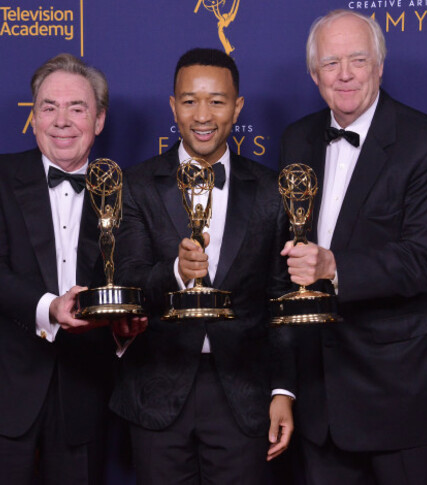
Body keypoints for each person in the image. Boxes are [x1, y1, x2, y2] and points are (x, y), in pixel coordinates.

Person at [279, 10, 427, 485]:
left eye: (358, 60)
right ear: (313, 74)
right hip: (321, 408)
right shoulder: (296, 140)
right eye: (331, 62)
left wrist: (334, 266)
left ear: (380, 67)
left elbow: (425, 260)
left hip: (405, 403)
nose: (344, 74)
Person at [0, 53, 145, 485]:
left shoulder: (126, 192)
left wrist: (122, 327)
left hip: (85, 390)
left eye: (77, 108)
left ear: (100, 120)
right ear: (33, 118)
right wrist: (51, 308)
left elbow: (131, 276)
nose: (62, 120)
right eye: (48, 107)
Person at [109, 48, 294, 484]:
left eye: (217, 100)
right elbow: (128, 280)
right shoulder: (134, 185)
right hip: (156, 390)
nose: (203, 115)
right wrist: (176, 272)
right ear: (172, 106)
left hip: (244, 396)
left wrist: (283, 390)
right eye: (190, 101)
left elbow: (282, 298)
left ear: (238, 107)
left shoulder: (272, 190)